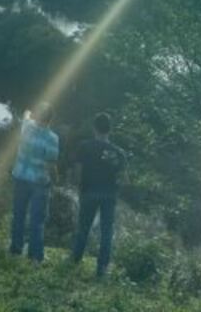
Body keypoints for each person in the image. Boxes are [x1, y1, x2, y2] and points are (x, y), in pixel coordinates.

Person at [70, 112, 127, 277]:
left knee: (83, 228)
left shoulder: (84, 146)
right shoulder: (118, 152)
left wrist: (76, 185)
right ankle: (102, 268)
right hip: (109, 195)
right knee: (107, 232)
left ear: (94, 127)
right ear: (110, 130)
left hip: (88, 192)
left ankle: (75, 259)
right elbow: (125, 179)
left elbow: (77, 171)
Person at [9, 103, 60, 264]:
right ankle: (35, 257)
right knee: (37, 220)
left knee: (18, 214)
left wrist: (29, 112)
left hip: (21, 176)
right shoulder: (52, 138)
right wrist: (56, 179)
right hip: (39, 181)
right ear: (51, 119)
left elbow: (25, 115)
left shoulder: (27, 127)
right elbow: (51, 164)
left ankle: (16, 249)